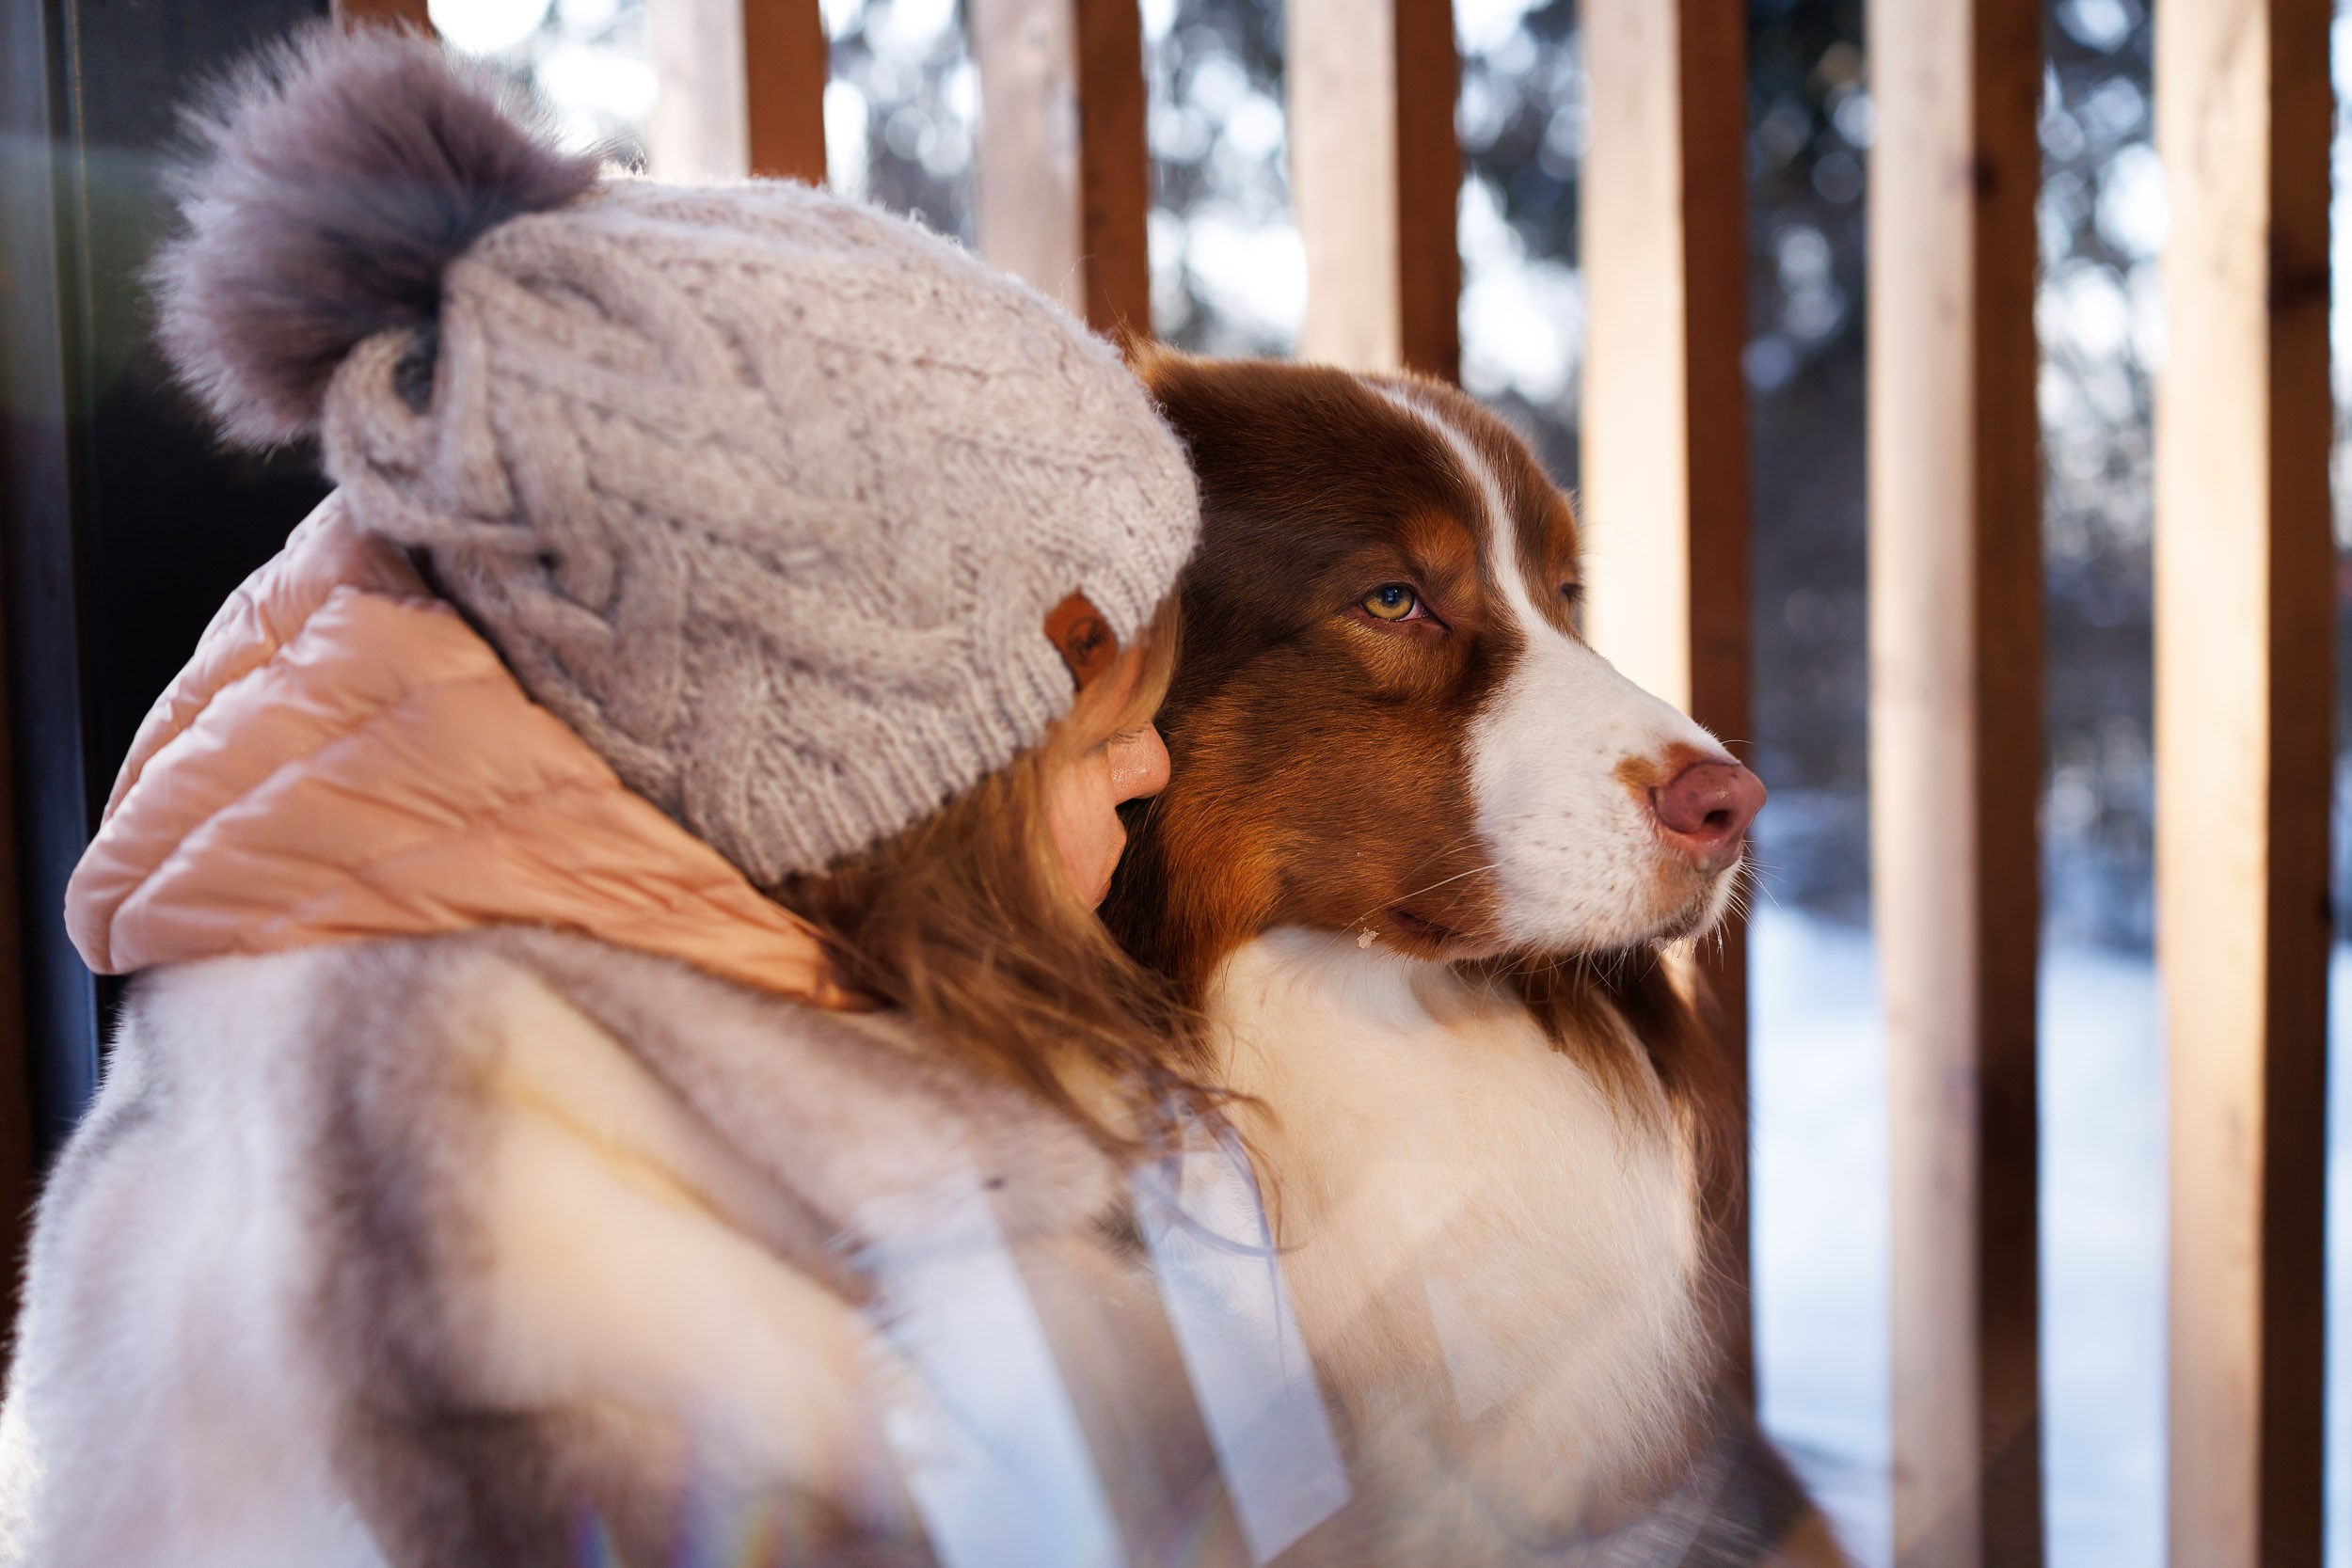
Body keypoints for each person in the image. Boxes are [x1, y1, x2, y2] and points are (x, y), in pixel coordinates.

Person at [0, 26, 1240, 1567]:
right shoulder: (481, 1252)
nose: (1158, 763)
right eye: (1087, 725)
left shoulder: (525, 1029)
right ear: (853, 780)